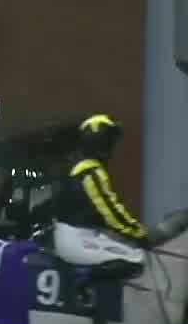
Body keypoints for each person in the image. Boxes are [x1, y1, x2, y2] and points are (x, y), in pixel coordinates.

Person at [50, 113, 150, 271]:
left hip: (73, 237)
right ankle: (89, 294)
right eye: (110, 142)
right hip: (78, 240)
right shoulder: (91, 171)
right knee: (137, 258)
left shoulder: (76, 167)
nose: (113, 148)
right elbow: (111, 213)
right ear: (101, 144)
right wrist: (139, 234)